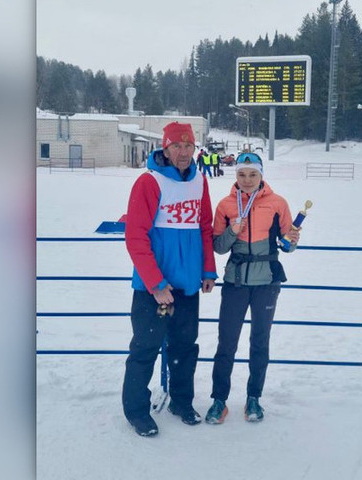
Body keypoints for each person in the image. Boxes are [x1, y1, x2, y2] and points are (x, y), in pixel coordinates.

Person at [122, 121, 218, 437]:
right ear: (165, 148)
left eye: (189, 146)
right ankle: (137, 411)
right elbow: (135, 237)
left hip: (187, 285)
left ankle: (181, 401)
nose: (183, 152)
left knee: (185, 348)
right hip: (153, 289)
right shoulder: (149, 182)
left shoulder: (200, 181)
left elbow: (205, 228)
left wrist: (207, 270)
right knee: (145, 349)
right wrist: (156, 283)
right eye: (177, 146)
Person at [204, 152, 300, 425]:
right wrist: (232, 231)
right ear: (235, 175)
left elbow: (287, 245)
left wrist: (292, 240)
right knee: (226, 343)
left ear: (261, 175)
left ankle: (254, 397)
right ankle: (219, 400)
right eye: (242, 174)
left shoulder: (278, 203)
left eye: (252, 174)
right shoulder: (225, 205)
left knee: (260, 342)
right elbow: (218, 247)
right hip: (235, 283)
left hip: (266, 283)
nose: (247, 180)